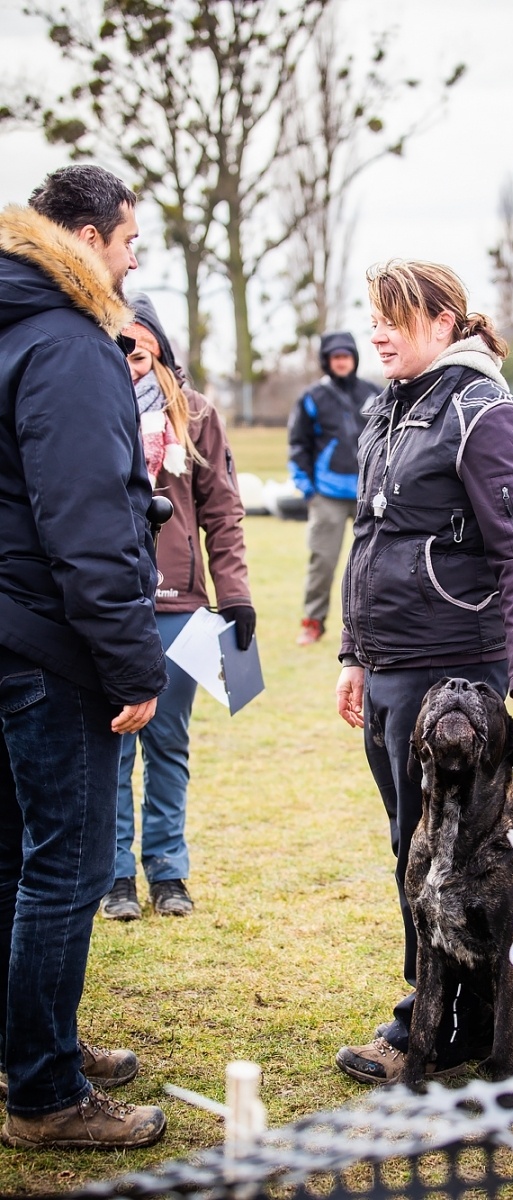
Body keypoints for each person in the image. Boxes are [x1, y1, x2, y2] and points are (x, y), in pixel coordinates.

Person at [334, 259, 513, 1084]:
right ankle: (439, 1014)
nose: (379, 331)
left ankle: (443, 1027)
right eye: (374, 314)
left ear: (445, 320)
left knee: (460, 859)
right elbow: (369, 538)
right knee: (413, 849)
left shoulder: (482, 412)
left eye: (395, 315)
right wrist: (355, 655)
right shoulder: (387, 408)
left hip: (457, 672)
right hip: (391, 668)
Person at [0, 165, 168, 1148]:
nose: (134, 257)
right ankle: (47, 1095)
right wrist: (131, 664)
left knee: (17, 861)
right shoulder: (66, 342)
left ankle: (33, 1042)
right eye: (128, 240)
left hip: (8, 630)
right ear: (86, 236)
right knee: (67, 866)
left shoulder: (19, 326)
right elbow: (86, 520)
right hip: (47, 643)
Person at [101, 294, 255, 921]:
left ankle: (168, 873)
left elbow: (222, 511)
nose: (131, 351)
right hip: (109, 602)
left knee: (168, 744)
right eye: (120, 340)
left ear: (161, 345)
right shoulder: (90, 404)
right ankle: (113, 878)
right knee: (111, 747)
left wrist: (236, 595)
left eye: (140, 340)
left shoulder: (195, 416)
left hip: (180, 606)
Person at [288, 331, 379, 645]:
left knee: (377, 562)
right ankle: (312, 622)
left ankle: (375, 625)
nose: (341, 361)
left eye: (346, 355)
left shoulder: (375, 393)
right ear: (327, 361)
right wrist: (307, 490)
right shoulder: (313, 397)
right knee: (323, 561)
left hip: (369, 493)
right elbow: (297, 445)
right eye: (335, 357)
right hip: (327, 494)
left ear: (354, 358)